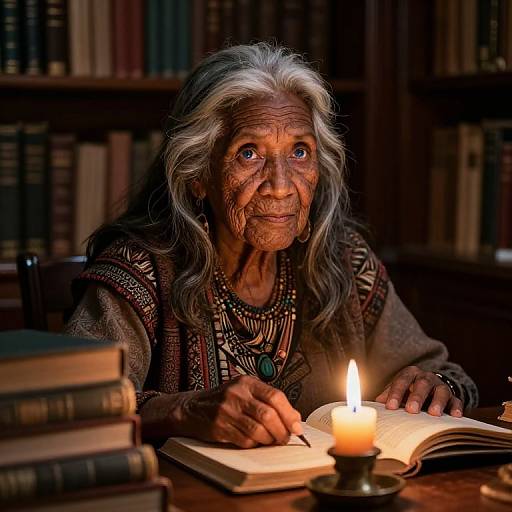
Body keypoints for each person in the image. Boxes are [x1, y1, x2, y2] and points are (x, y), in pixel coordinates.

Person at [66, 43, 478, 448]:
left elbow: (442, 371)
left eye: (300, 152)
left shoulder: (343, 259)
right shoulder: (142, 267)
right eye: (249, 153)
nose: (281, 185)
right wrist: (183, 411)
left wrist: (433, 384)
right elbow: (76, 407)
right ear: (198, 174)